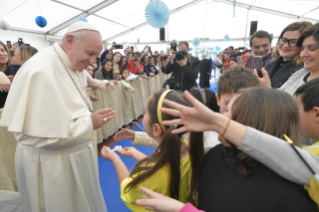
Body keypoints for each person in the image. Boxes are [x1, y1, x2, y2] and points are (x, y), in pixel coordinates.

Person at [0, 22, 116, 212]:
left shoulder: (64, 61)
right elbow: (39, 135)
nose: (93, 62)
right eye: (90, 54)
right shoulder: (41, 70)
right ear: (70, 41)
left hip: (68, 159)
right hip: (51, 167)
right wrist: (89, 123)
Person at [158, 88, 317, 212]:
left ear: (250, 122)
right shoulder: (214, 155)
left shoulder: (291, 198)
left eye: (227, 111)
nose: (219, 116)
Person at [101, 90, 203, 211]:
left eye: (145, 113)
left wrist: (114, 158)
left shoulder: (154, 173)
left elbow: (127, 189)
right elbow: (161, 167)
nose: (143, 116)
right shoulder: (188, 148)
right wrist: (135, 152)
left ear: (156, 128)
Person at [265, 21, 312, 88]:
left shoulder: (304, 70)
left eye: (293, 42)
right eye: (283, 40)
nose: (285, 45)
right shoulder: (270, 62)